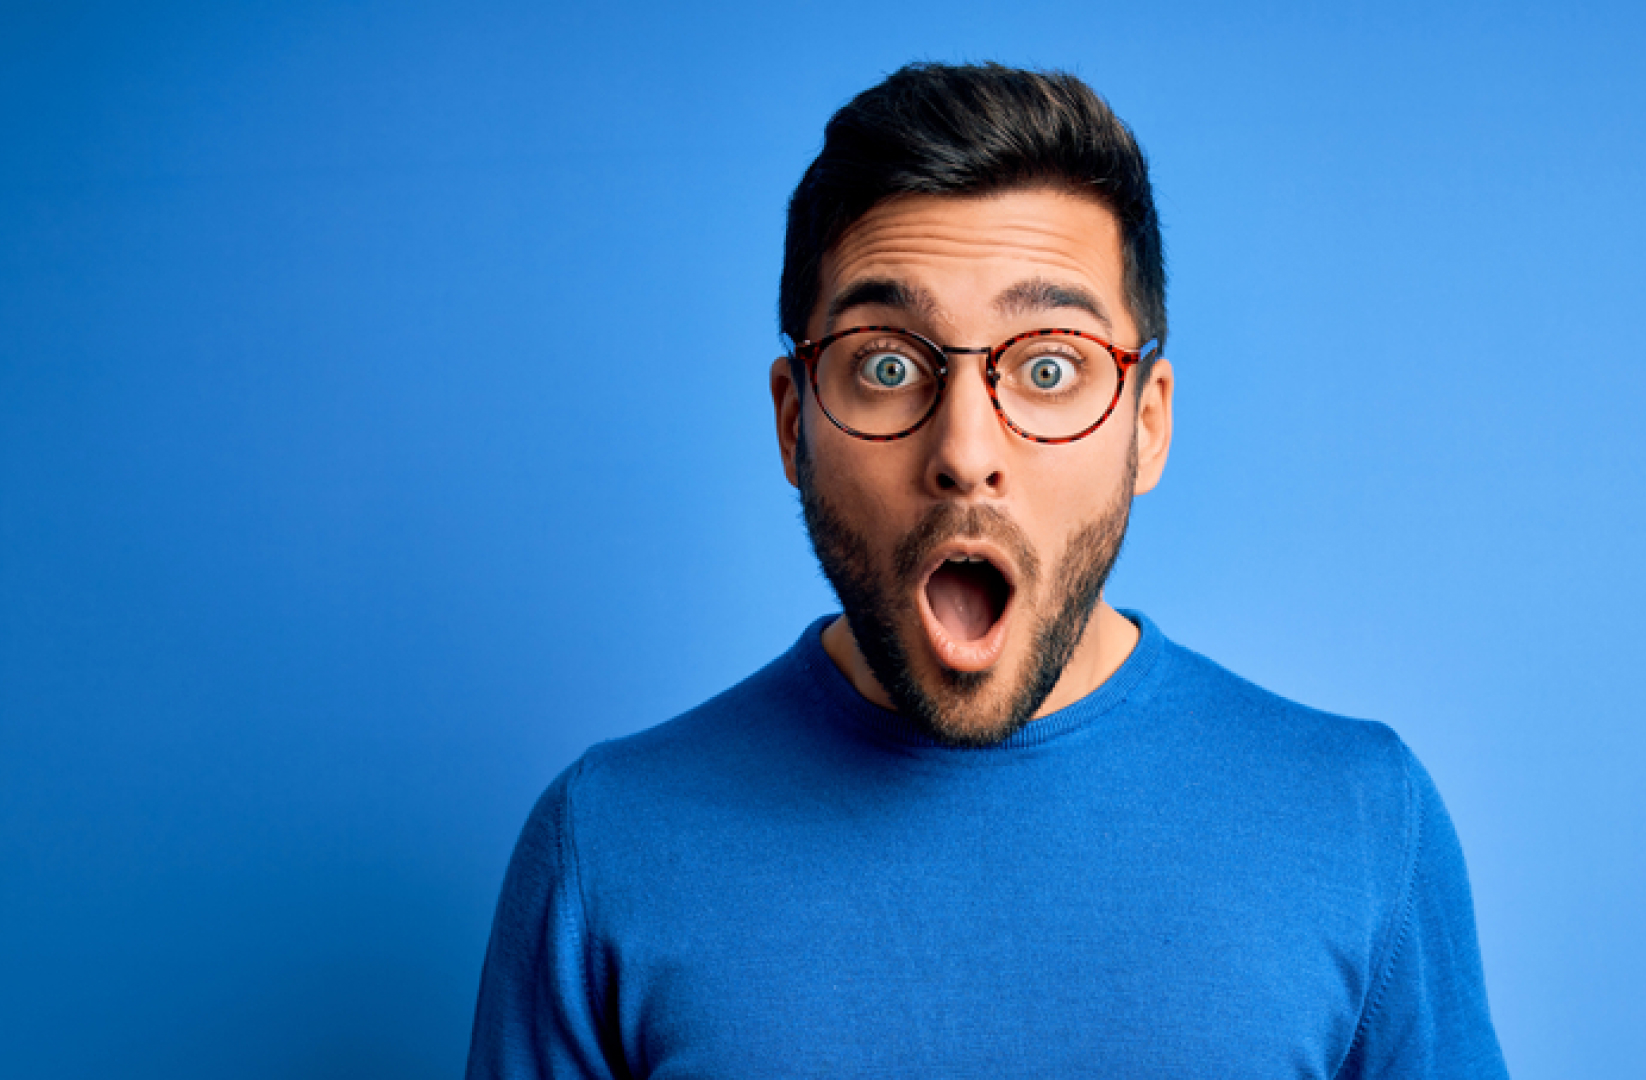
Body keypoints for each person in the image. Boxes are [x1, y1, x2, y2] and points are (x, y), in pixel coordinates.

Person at [466, 62, 1506, 1079]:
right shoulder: (607, 847)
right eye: (886, 365)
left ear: (1148, 424)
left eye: (1049, 367)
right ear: (793, 422)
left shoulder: (1361, 823)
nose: (966, 452)